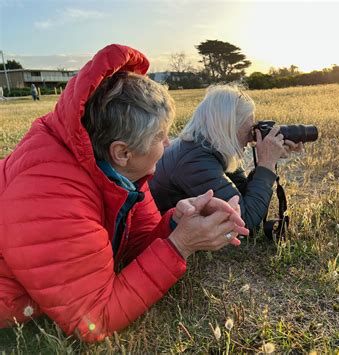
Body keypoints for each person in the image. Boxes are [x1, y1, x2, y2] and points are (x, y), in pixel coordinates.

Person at [0, 44, 248, 342]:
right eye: (160, 136)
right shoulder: (51, 201)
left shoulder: (118, 173)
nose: (169, 144)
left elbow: (132, 246)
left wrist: (176, 222)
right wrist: (180, 246)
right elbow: (93, 320)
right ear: (122, 152)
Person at [150, 84, 303, 232]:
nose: (251, 138)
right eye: (249, 130)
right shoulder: (196, 161)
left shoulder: (205, 146)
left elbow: (240, 195)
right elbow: (245, 222)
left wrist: (268, 158)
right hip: (155, 231)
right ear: (229, 126)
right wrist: (267, 164)